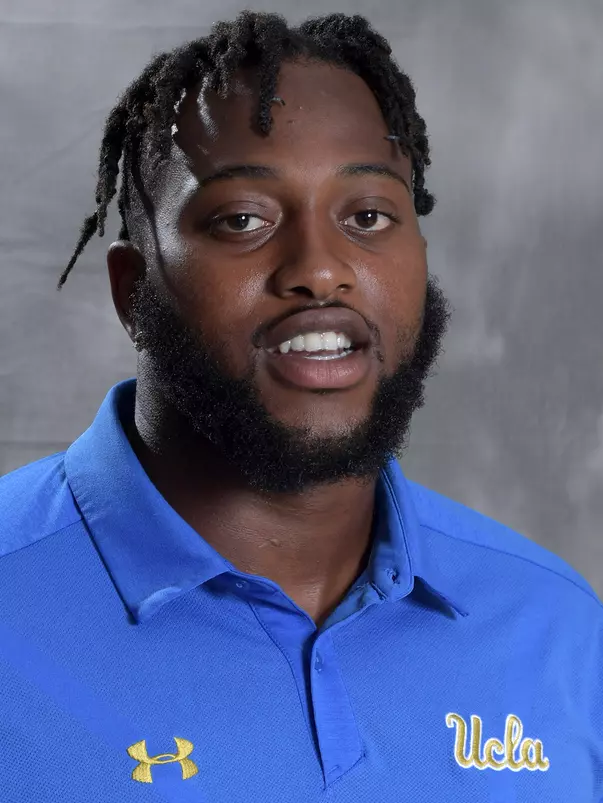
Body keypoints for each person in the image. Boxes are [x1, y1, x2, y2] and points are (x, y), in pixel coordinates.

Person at [0, 10, 601, 802]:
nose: (320, 271)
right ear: (131, 287)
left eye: (368, 217)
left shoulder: (556, 628)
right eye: (243, 219)